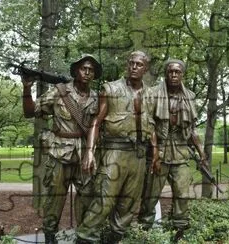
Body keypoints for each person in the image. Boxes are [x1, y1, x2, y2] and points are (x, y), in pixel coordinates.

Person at [75, 51, 156, 244]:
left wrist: (156, 154)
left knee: (128, 205)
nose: (134, 67)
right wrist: (89, 152)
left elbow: (151, 125)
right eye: (131, 63)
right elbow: (96, 121)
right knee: (104, 200)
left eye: (139, 64)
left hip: (139, 154)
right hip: (115, 151)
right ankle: (85, 238)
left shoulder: (151, 94)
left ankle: (114, 239)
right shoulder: (110, 88)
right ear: (127, 65)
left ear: (146, 69)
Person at [21, 54, 102, 244]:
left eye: (91, 70)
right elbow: (29, 112)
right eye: (84, 68)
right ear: (75, 71)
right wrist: (26, 89)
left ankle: (83, 237)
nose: (87, 72)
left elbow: (98, 127)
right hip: (59, 154)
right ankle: (50, 237)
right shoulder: (58, 92)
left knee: (87, 199)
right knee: (54, 201)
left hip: (84, 155)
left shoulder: (97, 98)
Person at [138, 59, 208, 242]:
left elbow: (192, 129)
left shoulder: (190, 96)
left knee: (183, 193)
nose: (174, 75)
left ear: (182, 74)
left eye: (178, 72)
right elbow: (149, 126)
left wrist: (201, 153)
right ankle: (143, 231)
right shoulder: (153, 94)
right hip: (158, 149)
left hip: (180, 150)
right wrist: (154, 154)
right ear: (166, 74)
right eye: (171, 72)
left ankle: (180, 230)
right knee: (150, 195)